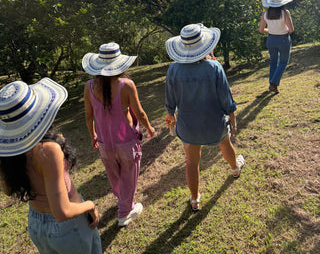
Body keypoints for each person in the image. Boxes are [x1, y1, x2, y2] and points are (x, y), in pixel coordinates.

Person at [0, 78, 102, 254]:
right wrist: (91, 205)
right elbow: (62, 212)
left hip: (36, 223)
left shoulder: (7, 151)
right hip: (68, 228)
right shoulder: (47, 150)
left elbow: (8, 190)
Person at [165, 23, 244, 212]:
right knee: (226, 145)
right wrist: (232, 118)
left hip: (188, 126)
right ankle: (235, 169)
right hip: (214, 123)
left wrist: (171, 118)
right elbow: (226, 98)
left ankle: (194, 199)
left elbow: (170, 102)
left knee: (192, 161)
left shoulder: (173, 70)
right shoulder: (214, 67)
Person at [82, 42, 155, 227]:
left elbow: (89, 115)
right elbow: (140, 113)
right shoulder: (126, 84)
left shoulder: (89, 86)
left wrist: (93, 135)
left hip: (105, 142)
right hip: (126, 141)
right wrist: (149, 128)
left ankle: (123, 200)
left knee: (115, 176)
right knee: (129, 175)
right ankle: (124, 212)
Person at [259, 0, 294, 93]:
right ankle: (274, 83)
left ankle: (273, 85)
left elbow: (261, 30)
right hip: (283, 39)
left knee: (273, 62)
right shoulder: (285, 13)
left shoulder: (265, 14)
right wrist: (281, 31)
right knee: (283, 62)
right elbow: (291, 29)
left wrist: (272, 31)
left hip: (271, 40)